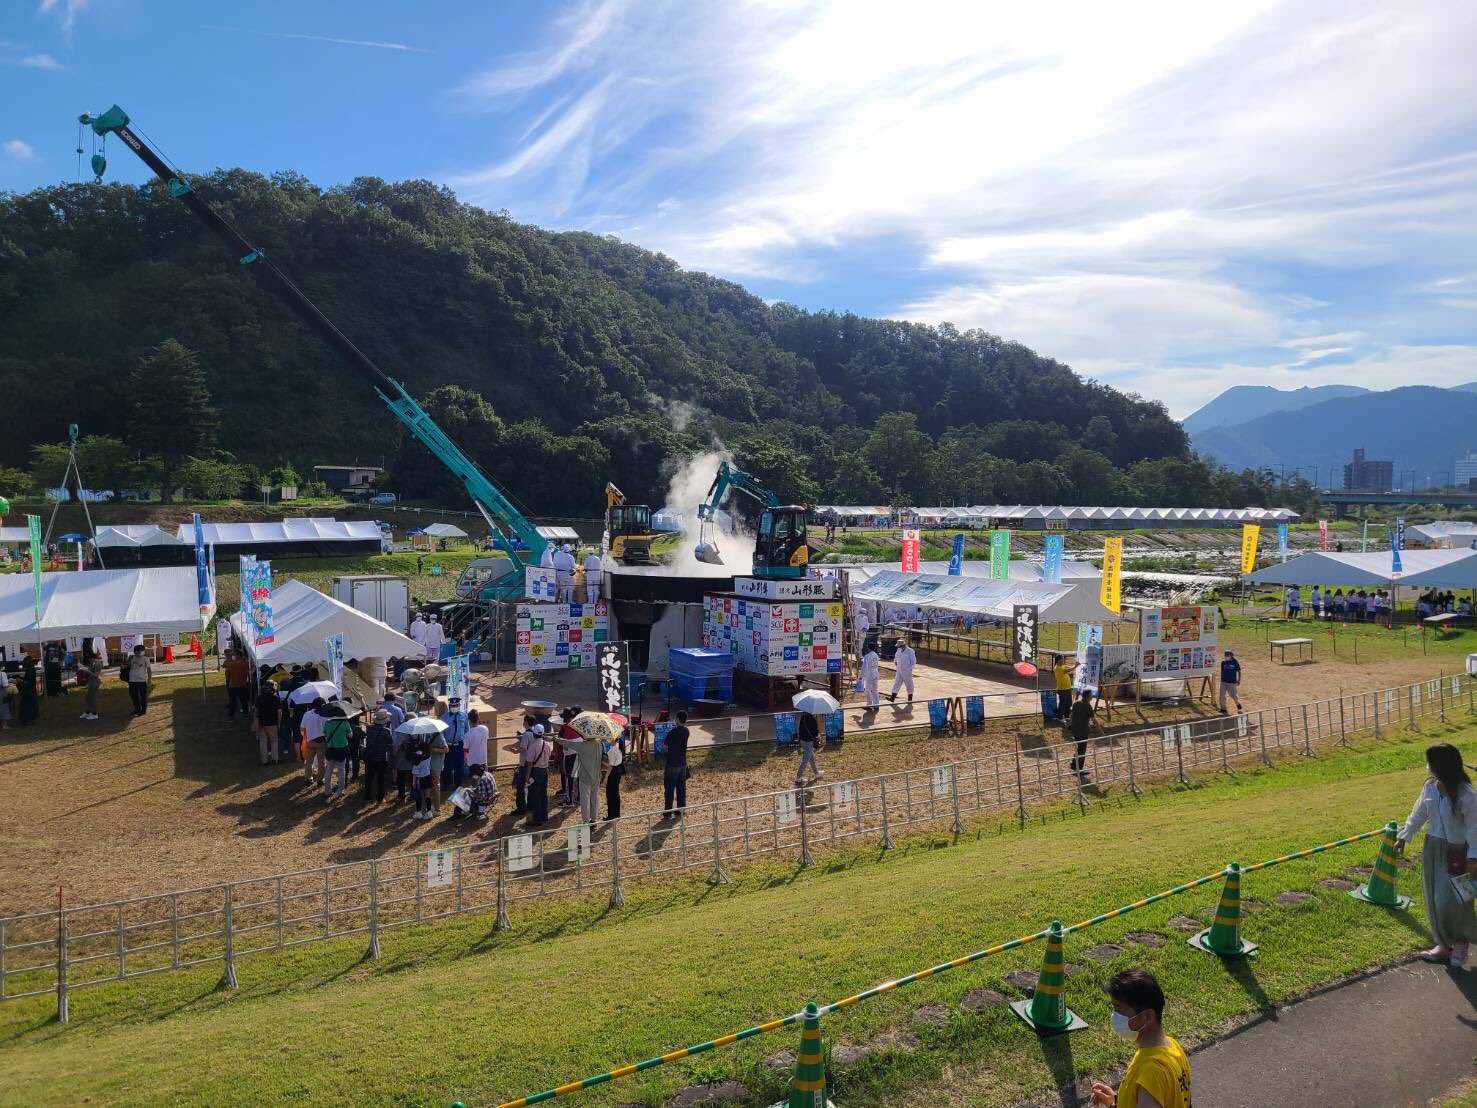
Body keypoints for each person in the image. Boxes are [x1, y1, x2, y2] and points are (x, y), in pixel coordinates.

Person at [1396, 743, 1477, 968]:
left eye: (1431, 763)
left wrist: (1473, 858)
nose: (1428, 767)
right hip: (1433, 847)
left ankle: (1461, 941)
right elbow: (1419, 812)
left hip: (1459, 852)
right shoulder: (1430, 787)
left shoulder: (1467, 795)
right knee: (1434, 897)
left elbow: (1474, 829)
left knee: (1454, 899)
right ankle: (1442, 943)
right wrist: (1405, 835)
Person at [1089, 969, 1191, 1108]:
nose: (1114, 1016)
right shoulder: (1173, 1047)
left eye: (1119, 1009)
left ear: (1148, 1016)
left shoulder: (1152, 1072)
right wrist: (1116, 1103)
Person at [557, 729, 605, 825]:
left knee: (585, 799)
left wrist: (557, 739)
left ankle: (586, 820)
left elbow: (568, 743)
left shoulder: (582, 745)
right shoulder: (599, 744)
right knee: (594, 798)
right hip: (596, 775)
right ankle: (594, 819)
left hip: (584, 777)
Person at [361, 708, 394, 804]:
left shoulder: (369, 728)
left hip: (369, 756)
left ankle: (367, 796)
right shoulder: (386, 731)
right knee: (381, 778)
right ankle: (380, 798)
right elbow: (390, 743)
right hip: (381, 757)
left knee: (369, 777)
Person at [662, 710, 691, 816]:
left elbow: (665, 746)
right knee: (681, 788)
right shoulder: (687, 731)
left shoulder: (672, 733)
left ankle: (668, 811)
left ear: (678, 719)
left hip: (672, 764)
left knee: (669, 788)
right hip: (683, 763)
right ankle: (681, 809)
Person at [440, 696, 469, 792]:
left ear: (459, 705)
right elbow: (441, 734)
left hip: (460, 745)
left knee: (459, 766)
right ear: (449, 706)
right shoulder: (444, 718)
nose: (454, 707)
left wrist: (465, 743)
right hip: (448, 746)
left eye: (456, 705)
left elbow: (466, 730)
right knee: (447, 766)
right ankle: (446, 783)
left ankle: (458, 784)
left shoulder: (464, 716)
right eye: (452, 705)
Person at [322, 710, 353, 799]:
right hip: (342, 749)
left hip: (330, 748)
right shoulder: (345, 723)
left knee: (329, 770)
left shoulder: (327, 723)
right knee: (341, 770)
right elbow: (350, 735)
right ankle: (340, 791)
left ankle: (327, 791)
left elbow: (325, 735)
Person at [1068, 689, 1096, 781]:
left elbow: (1071, 715)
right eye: (1091, 695)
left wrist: (1070, 724)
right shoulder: (1088, 706)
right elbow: (1093, 719)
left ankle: (1073, 764)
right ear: (1088, 696)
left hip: (1075, 729)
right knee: (1082, 749)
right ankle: (1079, 769)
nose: (1092, 696)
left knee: (1078, 746)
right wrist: (1101, 730)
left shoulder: (1076, 703)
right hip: (1082, 730)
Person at [301, 698, 327, 784]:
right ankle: (320, 779)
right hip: (322, 741)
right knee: (321, 761)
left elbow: (302, 728)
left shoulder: (307, 714)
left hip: (310, 740)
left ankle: (308, 778)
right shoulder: (324, 715)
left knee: (309, 760)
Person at [255, 679, 281, 765]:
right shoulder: (275, 697)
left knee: (263, 741)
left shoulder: (259, 697)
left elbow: (256, 710)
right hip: (272, 722)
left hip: (261, 722)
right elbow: (279, 711)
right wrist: (279, 722)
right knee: (274, 741)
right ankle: (275, 759)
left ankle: (264, 761)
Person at [603, 731, 625, 820]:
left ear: (613, 739)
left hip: (613, 772)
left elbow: (610, 766)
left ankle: (611, 815)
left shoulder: (612, 750)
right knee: (615, 793)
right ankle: (617, 813)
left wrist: (605, 778)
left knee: (610, 794)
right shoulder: (618, 747)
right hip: (618, 771)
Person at [796, 711, 822, 784]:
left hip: (802, 741)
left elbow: (800, 730)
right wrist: (818, 736)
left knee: (811, 758)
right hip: (809, 742)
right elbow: (815, 732)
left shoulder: (803, 717)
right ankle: (798, 777)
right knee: (805, 760)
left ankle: (816, 773)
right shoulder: (812, 719)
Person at [223, 649, 251, 719]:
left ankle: (231, 714)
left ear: (238, 655)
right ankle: (246, 713)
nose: (233, 656)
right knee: (243, 701)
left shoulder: (234, 663)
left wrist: (229, 657)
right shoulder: (245, 662)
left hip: (233, 685)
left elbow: (225, 664)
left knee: (233, 701)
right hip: (242, 684)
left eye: (234, 654)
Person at [888, 637, 917, 703]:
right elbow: (896, 656)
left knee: (909, 684)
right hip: (899, 669)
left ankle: (910, 697)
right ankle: (892, 697)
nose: (899, 647)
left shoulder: (910, 651)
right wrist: (895, 661)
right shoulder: (899, 650)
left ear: (903, 645)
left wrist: (909, 669)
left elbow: (913, 661)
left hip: (906, 671)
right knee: (897, 682)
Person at [125, 645, 151, 717]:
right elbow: (126, 666)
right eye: (138, 651)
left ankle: (143, 710)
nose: (140, 652)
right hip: (132, 680)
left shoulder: (146, 658)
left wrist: (149, 679)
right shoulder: (132, 657)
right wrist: (128, 661)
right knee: (134, 696)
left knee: (143, 696)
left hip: (141, 680)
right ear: (135, 652)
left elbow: (149, 669)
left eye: (142, 651)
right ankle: (137, 709)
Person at [464, 709, 489, 776]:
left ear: (469, 720)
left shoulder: (467, 735)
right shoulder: (485, 729)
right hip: (483, 762)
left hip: (472, 764)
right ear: (478, 718)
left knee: (474, 783)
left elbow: (465, 749)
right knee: (484, 780)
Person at [855, 644, 880, 709]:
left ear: (868, 648)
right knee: (875, 689)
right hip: (876, 672)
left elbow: (864, 667)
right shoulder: (876, 655)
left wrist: (861, 676)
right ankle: (876, 704)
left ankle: (869, 705)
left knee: (868, 689)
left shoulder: (867, 656)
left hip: (870, 673)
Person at [1218, 650, 1243, 714]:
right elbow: (1222, 671)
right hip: (1223, 681)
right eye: (1225, 656)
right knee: (1222, 695)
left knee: (1233, 695)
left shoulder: (1235, 662)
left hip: (1232, 682)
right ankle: (1223, 708)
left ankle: (1237, 703)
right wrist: (1221, 680)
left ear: (1231, 656)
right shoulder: (1223, 662)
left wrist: (1239, 680)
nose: (1226, 657)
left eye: (1228, 656)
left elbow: (1239, 671)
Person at [17, 655, 39, 725]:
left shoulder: (30, 670)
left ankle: (26, 720)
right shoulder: (31, 668)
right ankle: (31, 720)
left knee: (26, 706)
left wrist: (21, 681)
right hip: (31, 690)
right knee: (31, 705)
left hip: (28, 691)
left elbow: (29, 682)